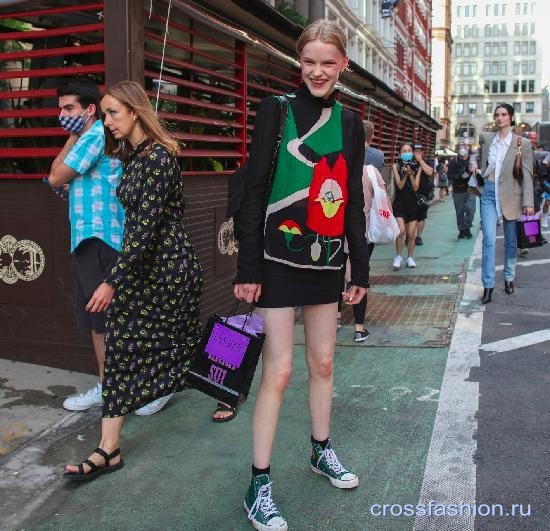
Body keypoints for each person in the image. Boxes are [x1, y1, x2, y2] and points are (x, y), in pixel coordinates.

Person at [234, 20, 369, 531]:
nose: (317, 70)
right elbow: (253, 187)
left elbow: (352, 201)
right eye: (309, 61)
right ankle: (259, 484)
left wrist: (361, 269)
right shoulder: (277, 110)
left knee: (325, 362)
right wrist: (247, 268)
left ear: (342, 66)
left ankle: (320, 450)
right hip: (274, 256)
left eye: (327, 62)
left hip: (327, 259)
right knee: (280, 370)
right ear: (300, 62)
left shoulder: (351, 123)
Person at [63, 81, 203, 479]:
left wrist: (110, 281)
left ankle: (233, 383)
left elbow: (144, 232)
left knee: (186, 350)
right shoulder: (135, 157)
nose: (106, 123)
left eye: (112, 113)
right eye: (105, 114)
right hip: (145, 269)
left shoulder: (158, 159)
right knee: (123, 351)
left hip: (169, 272)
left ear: (136, 112)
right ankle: (109, 450)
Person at [48, 79, 125, 412]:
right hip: (88, 238)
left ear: (89, 109)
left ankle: (116, 388)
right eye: (61, 108)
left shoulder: (93, 137)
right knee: (99, 321)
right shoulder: (88, 137)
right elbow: (55, 174)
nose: (63, 114)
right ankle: (110, 386)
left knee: (105, 321)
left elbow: (54, 176)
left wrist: (73, 136)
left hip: (100, 238)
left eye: (69, 108)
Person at [471, 103, 534, 304]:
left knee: (510, 242)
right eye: (497, 114)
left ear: (511, 118)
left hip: (511, 196)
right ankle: (488, 285)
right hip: (488, 194)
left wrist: (528, 202)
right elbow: (477, 154)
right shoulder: (487, 138)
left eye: (503, 114)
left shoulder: (521, 143)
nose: (499, 118)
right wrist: (473, 162)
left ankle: (509, 278)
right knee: (488, 240)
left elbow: (527, 174)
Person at [336, 119, 384, 337]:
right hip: (362, 230)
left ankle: (336, 317)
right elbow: (382, 200)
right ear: (371, 137)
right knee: (358, 274)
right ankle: (358, 328)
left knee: (340, 272)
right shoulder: (374, 165)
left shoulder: (337, 163)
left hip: (337, 228)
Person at [392, 143, 422, 270]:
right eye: (404, 151)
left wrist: (410, 173)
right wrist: (404, 174)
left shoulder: (417, 167)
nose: (407, 152)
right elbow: (399, 186)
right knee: (401, 231)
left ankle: (410, 257)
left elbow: (415, 187)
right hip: (399, 204)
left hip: (412, 205)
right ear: (400, 154)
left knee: (411, 234)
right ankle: (398, 256)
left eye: (409, 150)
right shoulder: (395, 166)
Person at [447, 140, 477, 239]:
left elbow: (477, 171)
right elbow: (450, 175)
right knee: (459, 211)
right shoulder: (453, 161)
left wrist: (474, 170)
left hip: (471, 188)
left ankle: (467, 227)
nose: (462, 148)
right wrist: (459, 176)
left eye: (464, 146)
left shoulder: (472, 160)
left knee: (471, 209)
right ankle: (462, 230)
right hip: (458, 189)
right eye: (460, 146)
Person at [412, 143, 434, 246]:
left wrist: (420, 161)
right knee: (410, 215)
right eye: (416, 151)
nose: (418, 153)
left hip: (422, 193)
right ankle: (409, 235)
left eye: (420, 151)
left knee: (421, 216)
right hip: (410, 192)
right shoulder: (409, 161)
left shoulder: (427, 161)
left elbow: (430, 172)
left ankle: (418, 236)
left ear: (422, 152)